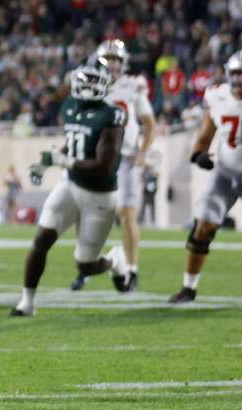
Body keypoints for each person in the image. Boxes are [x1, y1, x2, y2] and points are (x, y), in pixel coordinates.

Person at [11, 56, 128, 317]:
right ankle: (27, 303)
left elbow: (104, 166)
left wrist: (63, 160)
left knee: (85, 266)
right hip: (70, 186)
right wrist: (47, 162)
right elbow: (74, 143)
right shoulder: (70, 106)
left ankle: (115, 260)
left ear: (106, 84)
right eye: (85, 79)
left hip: (99, 195)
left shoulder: (112, 116)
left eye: (94, 81)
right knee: (40, 241)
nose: (87, 86)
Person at [169, 51, 242, 303]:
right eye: (236, 74)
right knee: (203, 227)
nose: (240, 80)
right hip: (226, 172)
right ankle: (189, 288)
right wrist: (199, 154)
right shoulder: (218, 96)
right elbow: (205, 134)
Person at [94, 39, 155, 292]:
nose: (112, 64)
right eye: (108, 59)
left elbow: (149, 123)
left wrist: (143, 152)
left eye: (116, 59)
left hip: (127, 157)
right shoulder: (93, 85)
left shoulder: (133, 85)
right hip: (100, 159)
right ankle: (91, 265)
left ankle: (131, 269)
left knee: (127, 215)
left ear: (124, 61)